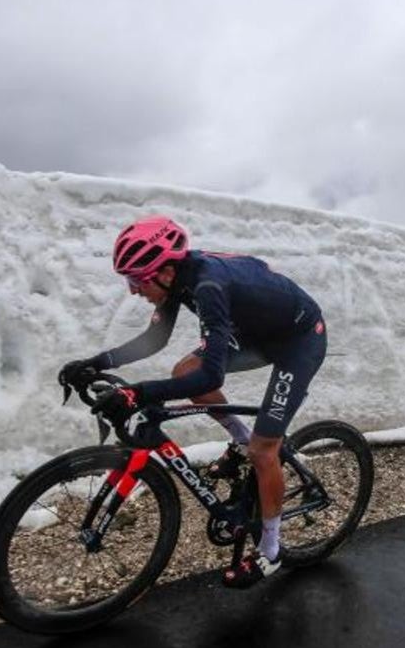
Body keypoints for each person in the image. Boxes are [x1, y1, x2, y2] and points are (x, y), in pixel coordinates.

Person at [57, 215, 327, 588]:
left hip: (299, 339)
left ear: (163, 270)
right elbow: (155, 339)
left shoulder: (207, 287)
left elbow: (211, 378)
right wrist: (96, 363)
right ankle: (240, 439)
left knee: (265, 450)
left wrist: (137, 392)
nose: (133, 290)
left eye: (136, 279)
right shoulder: (176, 279)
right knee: (184, 372)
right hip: (254, 331)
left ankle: (271, 550)